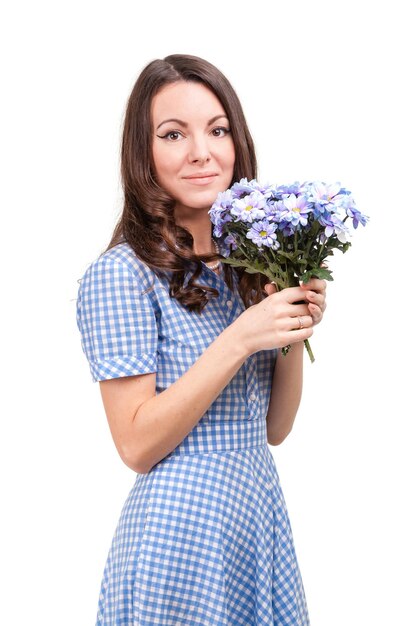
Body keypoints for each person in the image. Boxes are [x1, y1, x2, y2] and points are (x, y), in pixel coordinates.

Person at [76, 53, 327, 626]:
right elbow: (136, 446)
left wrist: (291, 324)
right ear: (143, 154)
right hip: (179, 538)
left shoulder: (249, 266)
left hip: (255, 520)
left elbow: (274, 428)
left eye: (217, 130)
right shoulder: (123, 275)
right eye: (173, 134)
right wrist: (240, 338)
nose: (201, 152)